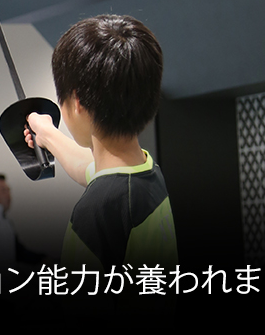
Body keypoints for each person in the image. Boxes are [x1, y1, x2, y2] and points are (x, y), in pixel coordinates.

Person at [24, 15, 178, 275]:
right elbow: (94, 170)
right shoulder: (145, 174)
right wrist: (46, 133)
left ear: (77, 101)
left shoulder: (95, 212)